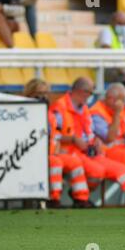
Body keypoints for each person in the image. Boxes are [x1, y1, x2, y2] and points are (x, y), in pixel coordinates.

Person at [50, 77, 125, 207]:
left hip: (89, 152)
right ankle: (65, 199)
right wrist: (75, 140)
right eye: (122, 99)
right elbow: (109, 138)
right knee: (114, 169)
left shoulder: (83, 109)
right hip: (89, 153)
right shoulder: (93, 111)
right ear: (111, 98)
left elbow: (91, 134)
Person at [24, 79, 91, 208]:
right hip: (34, 155)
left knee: (75, 162)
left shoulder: (50, 114)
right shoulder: (25, 112)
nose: (43, 96)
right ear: (30, 94)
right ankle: (54, 199)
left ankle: (81, 199)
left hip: (52, 153)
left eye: (45, 93)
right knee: (56, 162)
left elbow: (57, 135)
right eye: (38, 93)